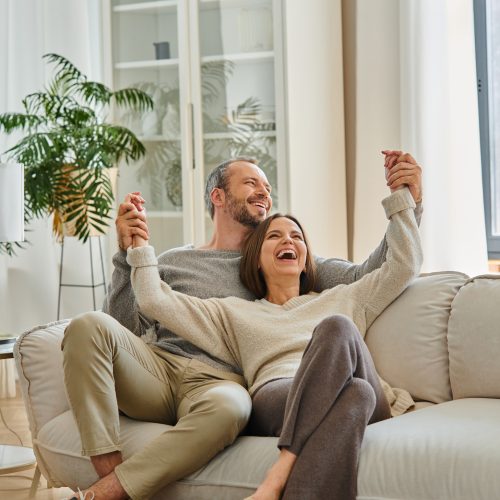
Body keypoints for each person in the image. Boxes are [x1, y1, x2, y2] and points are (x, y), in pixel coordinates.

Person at [61, 152, 423, 500]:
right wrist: (129, 255)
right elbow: (131, 322)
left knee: (342, 365)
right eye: (252, 183)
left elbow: (382, 270)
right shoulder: (184, 271)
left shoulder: (310, 271)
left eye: (268, 187)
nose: (265, 193)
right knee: (88, 325)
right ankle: (109, 480)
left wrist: (406, 202)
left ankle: (276, 477)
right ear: (218, 197)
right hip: (159, 369)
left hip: (218, 385)